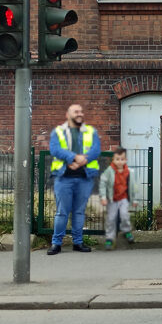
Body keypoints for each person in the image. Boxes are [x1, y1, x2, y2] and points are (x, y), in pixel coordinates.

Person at [48, 103, 101, 255]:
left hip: (84, 178)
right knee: (62, 212)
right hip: (64, 178)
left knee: (79, 212)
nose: (80, 114)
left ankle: (78, 242)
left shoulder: (91, 131)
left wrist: (83, 160)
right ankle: (56, 243)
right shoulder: (58, 131)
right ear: (68, 115)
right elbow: (55, 149)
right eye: (76, 111)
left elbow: (96, 149)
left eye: (81, 111)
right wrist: (73, 157)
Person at [98, 147, 138, 251]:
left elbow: (134, 186)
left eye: (122, 159)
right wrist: (103, 197)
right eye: (117, 159)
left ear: (126, 160)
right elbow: (103, 184)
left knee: (124, 215)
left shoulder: (129, 172)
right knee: (111, 219)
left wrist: (134, 199)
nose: (119, 161)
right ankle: (110, 238)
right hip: (112, 199)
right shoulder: (109, 171)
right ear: (113, 160)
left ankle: (126, 231)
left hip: (124, 198)